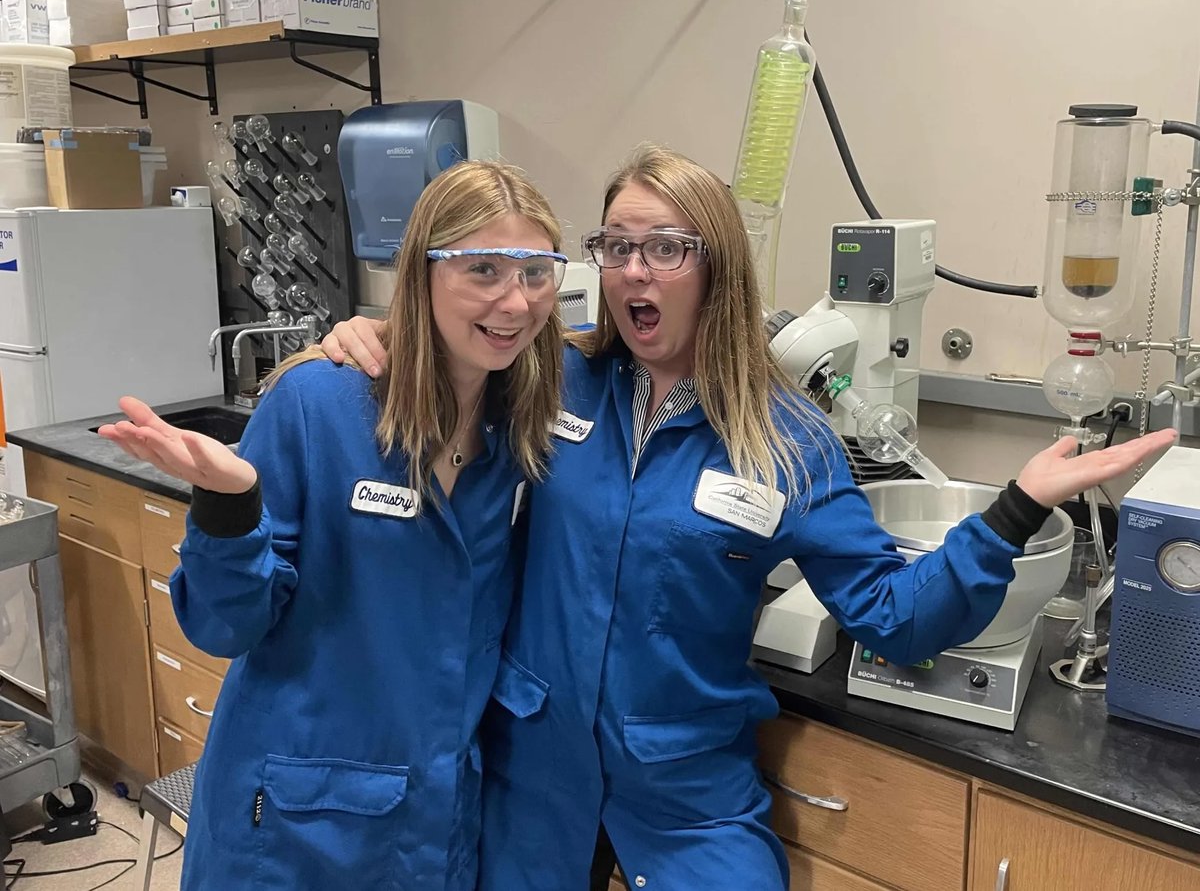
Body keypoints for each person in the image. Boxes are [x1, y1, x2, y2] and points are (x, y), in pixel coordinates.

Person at [320, 143, 1175, 891]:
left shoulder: (786, 439)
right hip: (532, 770)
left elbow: (895, 617)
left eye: (665, 248)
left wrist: (1016, 508)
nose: (633, 271)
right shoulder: (553, 381)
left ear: (717, 269)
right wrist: (368, 339)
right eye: (616, 246)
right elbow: (450, 357)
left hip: (687, 788)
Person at [97, 159, 568, 891]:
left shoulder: (522, 428)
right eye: (482, 270)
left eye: (537, 272)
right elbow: (225, 627)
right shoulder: (320, 402)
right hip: (293, 820)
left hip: (435, 814)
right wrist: (229, 503)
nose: (515, 301)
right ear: (423, 272)